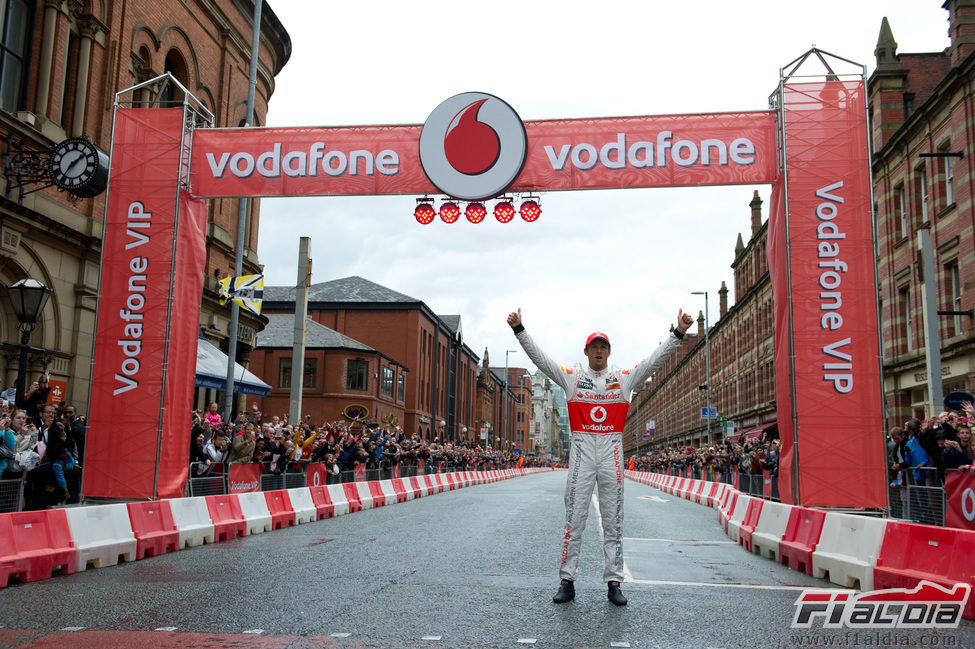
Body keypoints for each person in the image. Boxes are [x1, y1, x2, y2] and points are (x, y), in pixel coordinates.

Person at [507, 306, 693, 605]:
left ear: (608, 352)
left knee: (614, 522)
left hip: (612, 452)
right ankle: (567, 580)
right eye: (594, 346)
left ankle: (614, 582)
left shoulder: (624, 379)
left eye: (603, 347)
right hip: (581, 452)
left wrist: (679, 333)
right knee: (574, 519)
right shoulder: (571, 378)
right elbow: (540, 359)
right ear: (586, 351)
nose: (598, 351)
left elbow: (653, 361)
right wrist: (520, 330)